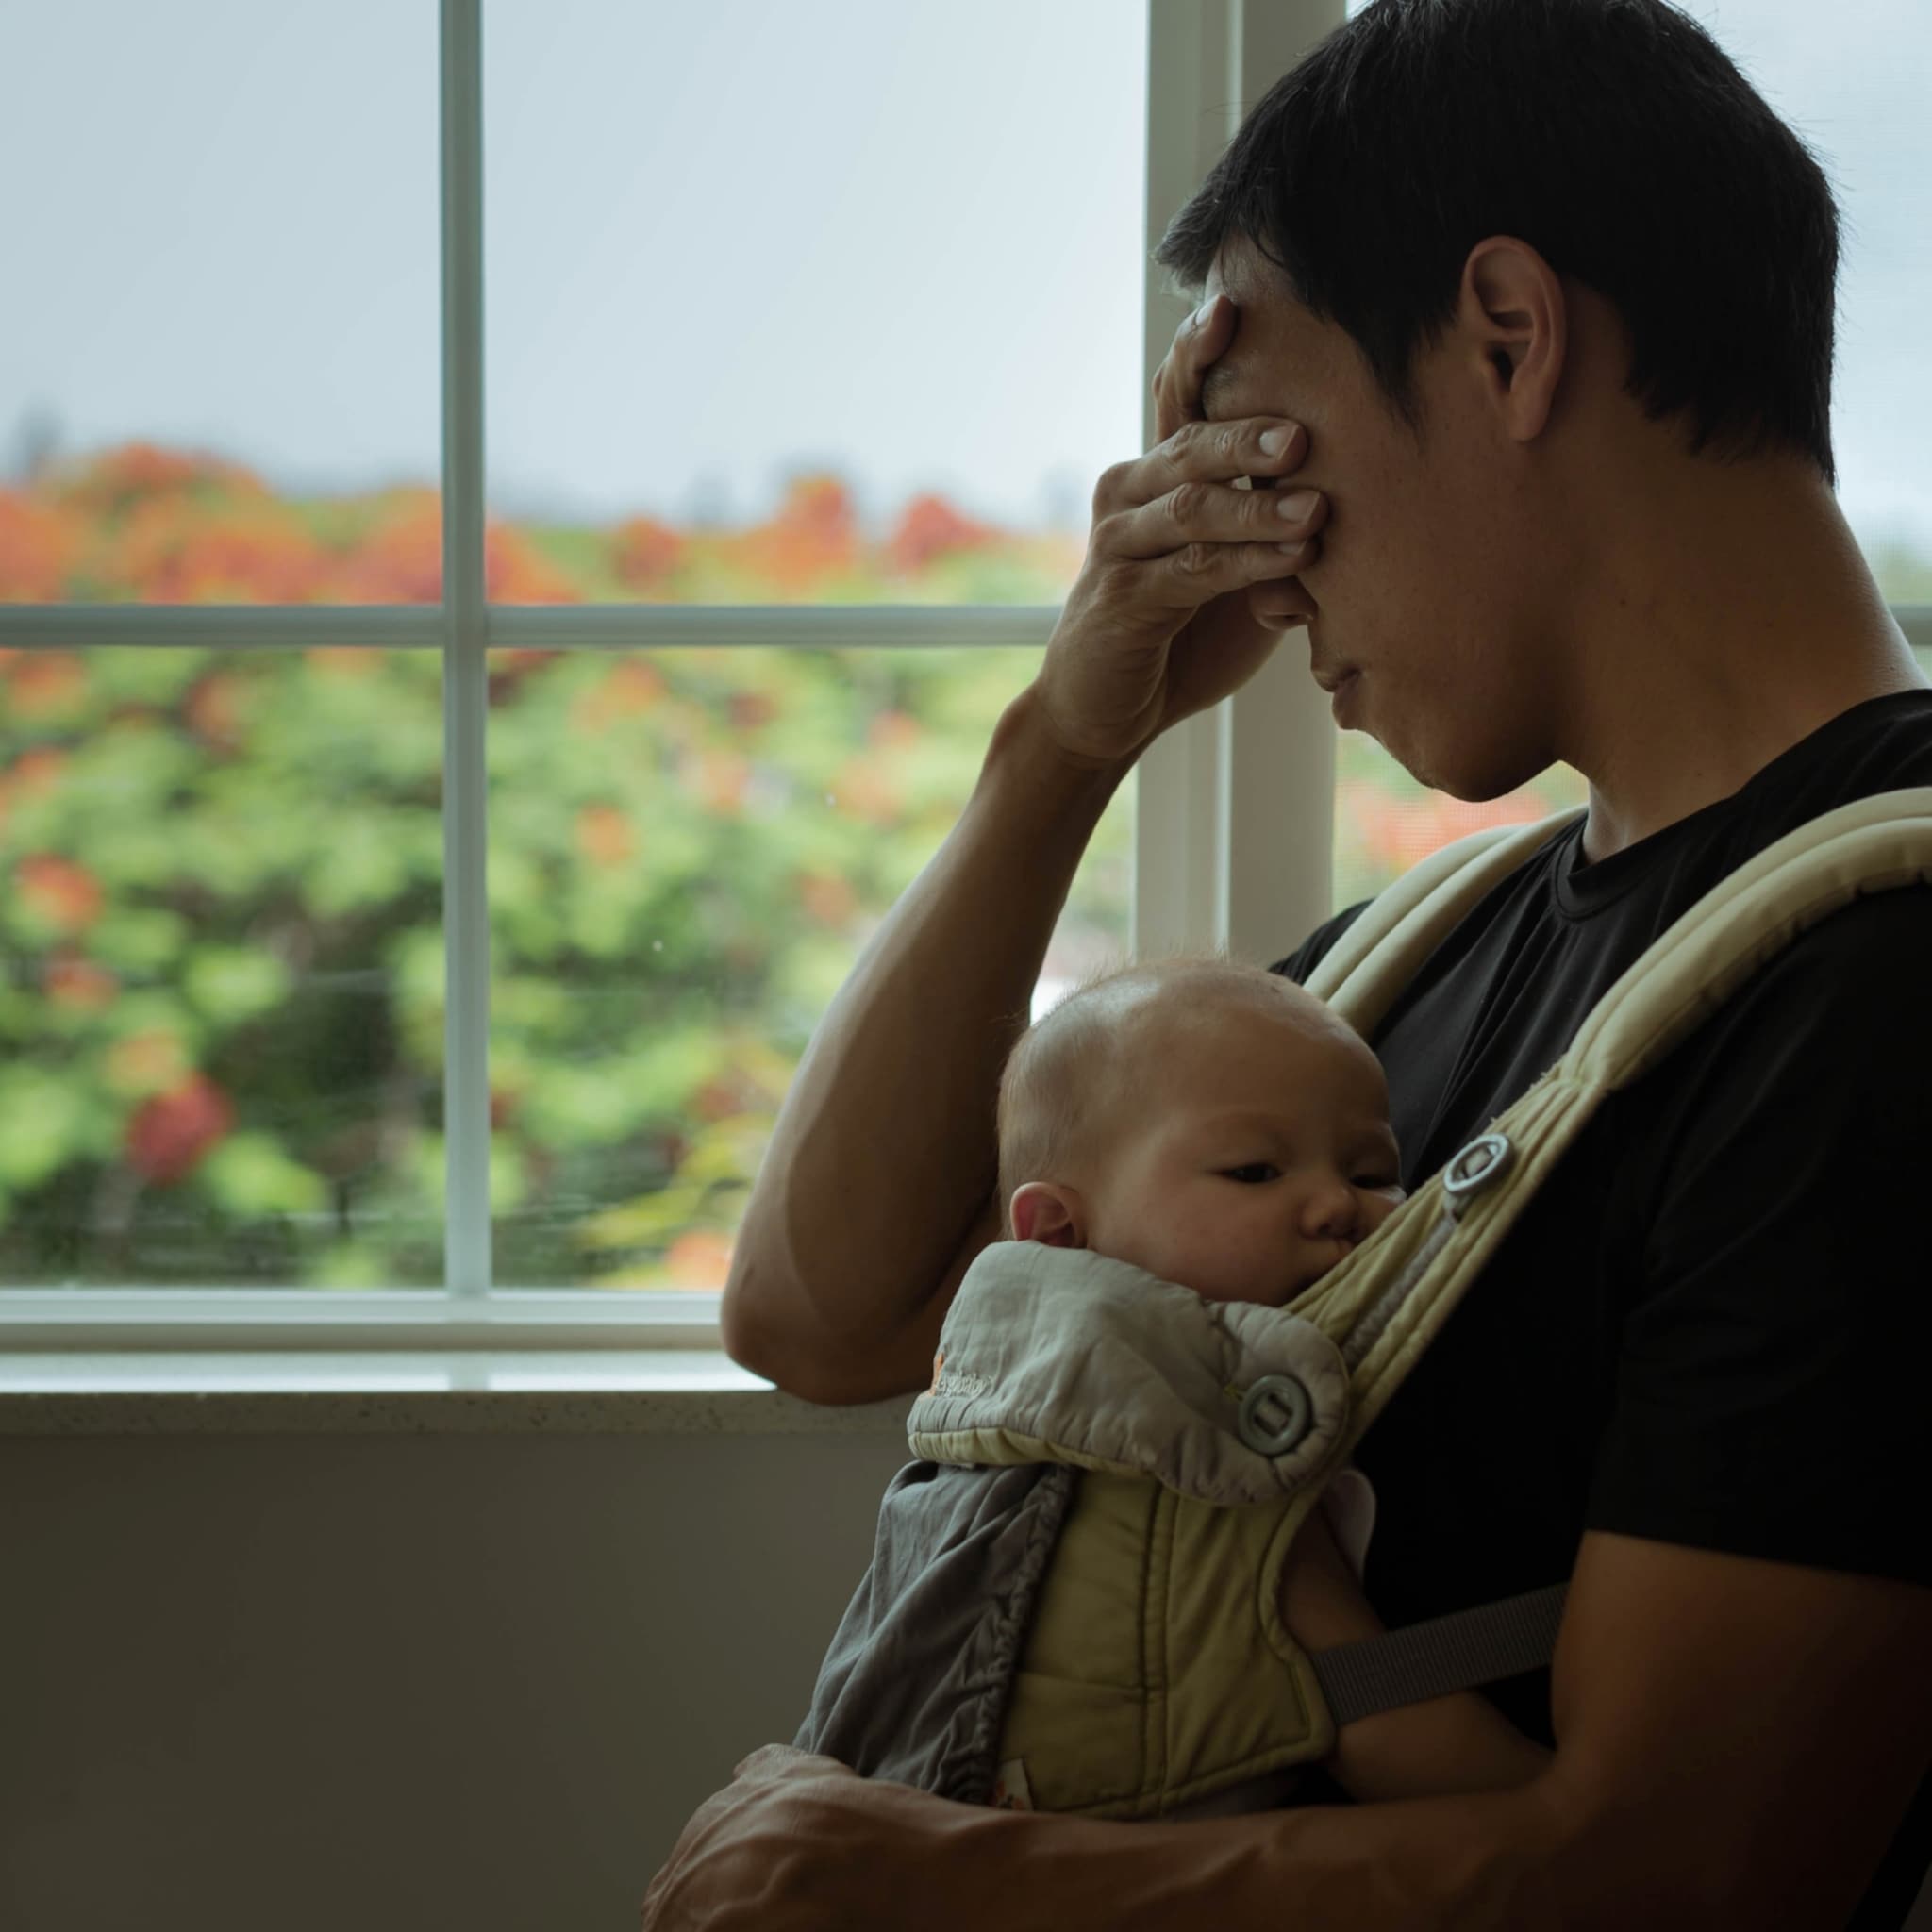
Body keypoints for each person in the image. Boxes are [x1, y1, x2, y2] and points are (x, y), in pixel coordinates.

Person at [644, 0, 1932, 1924]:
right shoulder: (1421, 959)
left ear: (1505, 337)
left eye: (1265, 438)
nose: (1251, 542)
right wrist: (1061, 744)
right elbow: (834, 1315)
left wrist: (956, 1885)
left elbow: (1698, 1863)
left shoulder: (1883, 976)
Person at [804, 951, 1560, 1817]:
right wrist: (1572, 1825)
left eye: (1370, 1172)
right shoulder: (1204, 1457)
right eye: (1255, 1172)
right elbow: (1388, 1733)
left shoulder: (987, 1396)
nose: (1337, 1207)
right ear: (1058, 1232)